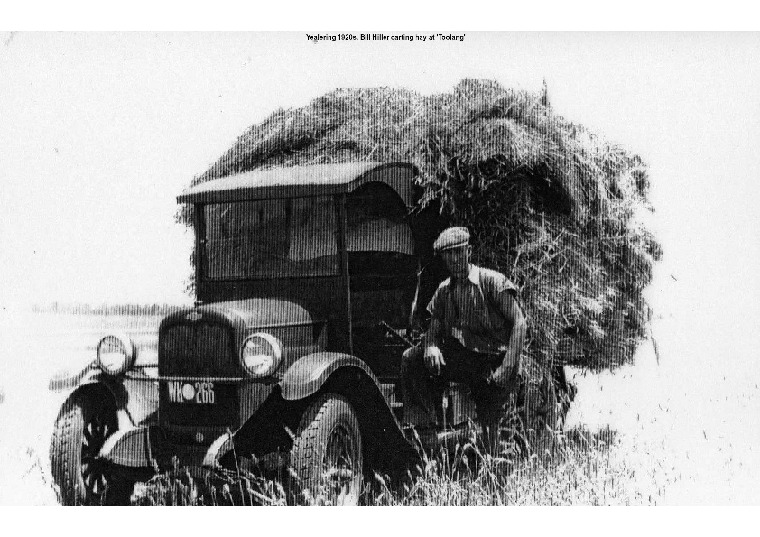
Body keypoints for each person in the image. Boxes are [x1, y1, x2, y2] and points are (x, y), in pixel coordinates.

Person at [401, 226, 527, 453]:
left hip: (496, 362)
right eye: (449, 254)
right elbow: (434, 328)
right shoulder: (444, 291)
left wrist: (507, 367)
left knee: (493, 443)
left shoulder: (492, 283)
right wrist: (430, 346)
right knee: (412, 357)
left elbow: (519, 322)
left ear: (469, 252)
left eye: (459, 252)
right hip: (468, 360)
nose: (455, 259)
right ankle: (424, 433)